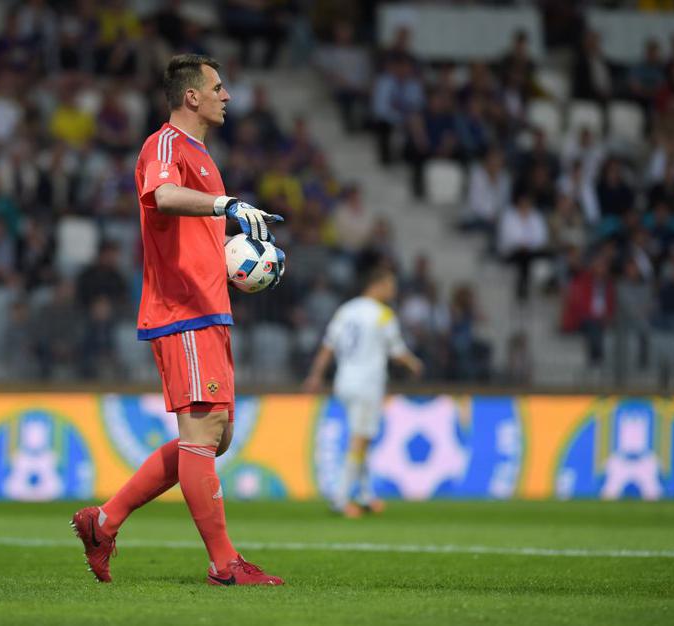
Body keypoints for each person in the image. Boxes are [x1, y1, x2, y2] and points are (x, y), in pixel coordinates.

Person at [71, 54, 285, 586]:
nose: (227, 96)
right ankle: (224, 564)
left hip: (210, 308)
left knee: (216, 436)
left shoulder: (203, 155)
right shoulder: (164, 144)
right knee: (203, 431)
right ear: (192, 96)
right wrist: (225, 205)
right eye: (218, 87)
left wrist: (242, 254)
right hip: (183, 310)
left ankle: (104, 521)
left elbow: (193, 225)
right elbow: (163, 196)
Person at [302, 266, 423, 518]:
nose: (393, 291)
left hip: (344, 382)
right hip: (367, 384)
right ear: (377, 284)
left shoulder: (346, 310)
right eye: (390, 285)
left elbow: (328, 346)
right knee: (360, 438)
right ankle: (340, 498)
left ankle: (366, 495)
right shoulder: (383, 315)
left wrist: (315, 375)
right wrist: (414, 364)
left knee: (362, 435)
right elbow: (397, 351)